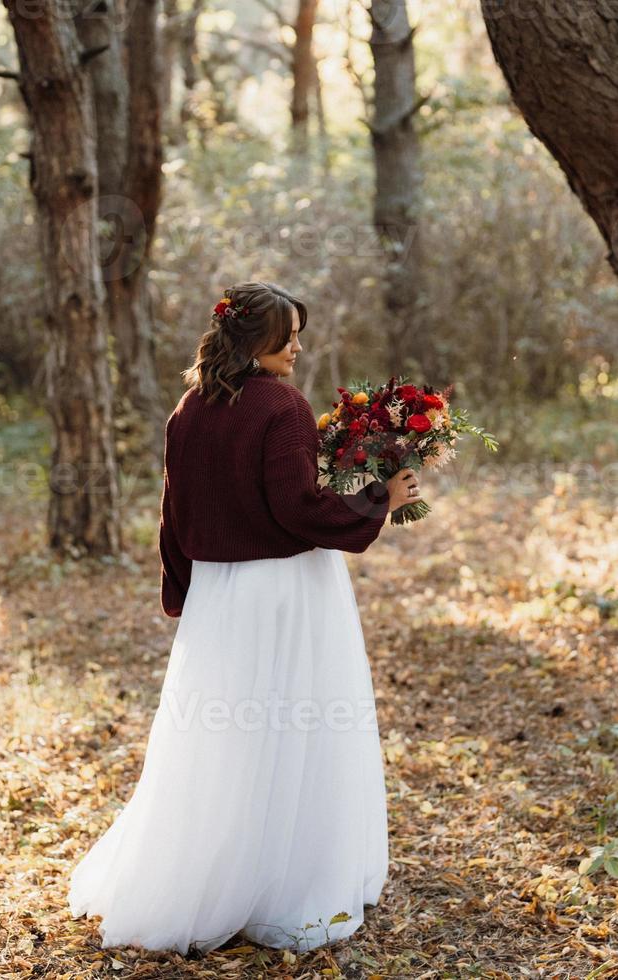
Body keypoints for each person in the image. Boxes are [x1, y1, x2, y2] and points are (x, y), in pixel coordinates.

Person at [67, 280, 422, 955]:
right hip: (286, 591)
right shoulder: (282, 406)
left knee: (227, 736)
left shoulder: (188, 410)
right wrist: (380, 496)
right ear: (250, 338)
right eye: (285, 333)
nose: (296, 345)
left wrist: (183, 592)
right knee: (294, 725)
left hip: (221, 596)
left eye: (298, 332)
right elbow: (297, 508)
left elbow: (175, 515)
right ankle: (285, 886)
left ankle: (215, 875)